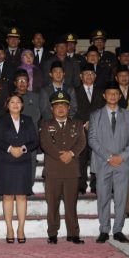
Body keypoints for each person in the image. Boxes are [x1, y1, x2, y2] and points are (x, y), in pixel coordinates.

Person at [88, 82, 129, 244]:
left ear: (119, 95)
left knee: (121, 198)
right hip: (103, 162)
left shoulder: (128, 115)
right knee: (103, 197)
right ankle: (104, 229)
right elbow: (92, 140)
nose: (112, 96)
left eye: (115, 93)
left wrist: (121, 156)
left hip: (122, 163)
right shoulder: (96, 115)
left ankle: (118, 230)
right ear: (104, 96)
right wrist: (109, 157)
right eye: (109, 93)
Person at [39, 91, 86, 244]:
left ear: (69, 108)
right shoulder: (45, 125)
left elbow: (82, 142)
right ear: (52, 108)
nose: (60, 108)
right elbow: (45, 144)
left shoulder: (77, 124)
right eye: (57, 106)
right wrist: (60, 155)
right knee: (52, 204)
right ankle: (52, 233)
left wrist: (71, 153)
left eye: (64, 105)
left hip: (71, 170)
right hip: (53, 170)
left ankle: (73, 233)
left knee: (71, 204)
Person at [0, 93, 39, 243]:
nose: (15, 104)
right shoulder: (1, 120)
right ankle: (9, 228)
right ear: (7, 105)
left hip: (23, 162)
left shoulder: (28, 120)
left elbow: (34, 141)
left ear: (22, 105)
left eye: (18, 102)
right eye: (12, 102)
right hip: (6, 161)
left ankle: (20, 228)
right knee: (7, 196)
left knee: (21, 196)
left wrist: (23, 149)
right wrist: (9, 148)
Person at [74, 63, 105, 194]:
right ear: (81, 76)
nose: (89, 76)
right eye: (86, 74)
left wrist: (94, 123)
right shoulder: (74, 91)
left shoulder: (101, 92)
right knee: (81, 158)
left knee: (97, 158)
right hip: (80, 129)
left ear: (95, 76)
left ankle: (95, 184)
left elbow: (104, 110)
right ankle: (81, 185)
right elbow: (72, 110)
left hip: (97, 130)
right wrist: (83, 123)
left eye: (91, 74)